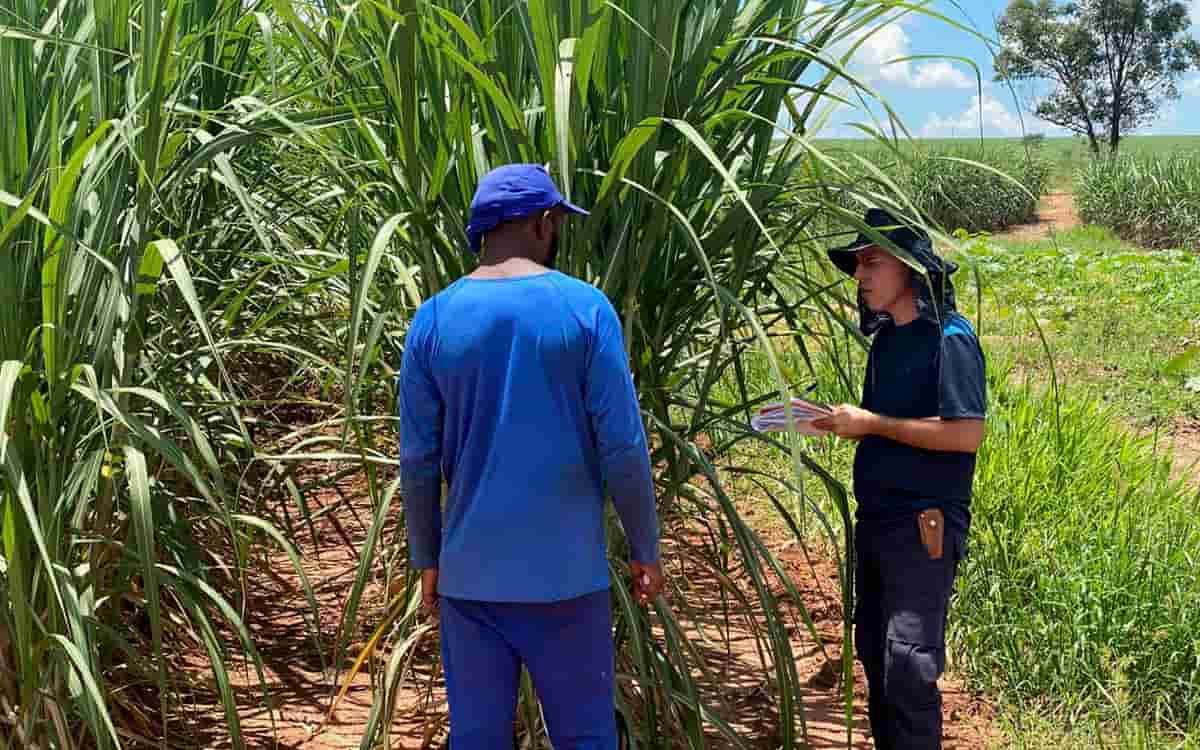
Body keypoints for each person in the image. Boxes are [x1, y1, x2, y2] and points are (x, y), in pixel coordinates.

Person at [397, 163, 664, 750]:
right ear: (544, 223)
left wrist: (428, 557)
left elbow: (416, 459)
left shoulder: (434, 319)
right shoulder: (585, 309)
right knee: (586, 737)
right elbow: (622, 446)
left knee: (478, 738)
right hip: (566, 581)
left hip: (471, 582)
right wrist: (645, 546)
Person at [812, 208, 987, 750]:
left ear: (909, 269)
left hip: (922, 526)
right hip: (879, 523)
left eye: (870, 262)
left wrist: (873, 425)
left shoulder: (951, 340)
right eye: (857, 264)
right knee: (875, 655)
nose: (860, 275)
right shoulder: (889, 340)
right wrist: (846, 423)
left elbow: (966, 434)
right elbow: (889, 429)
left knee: (909, 665)